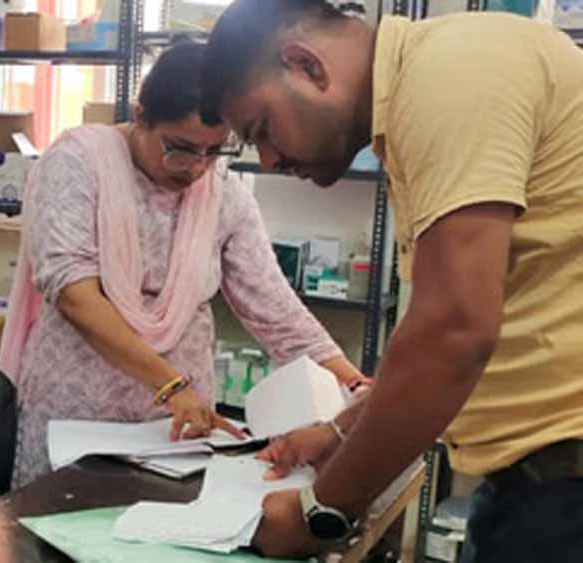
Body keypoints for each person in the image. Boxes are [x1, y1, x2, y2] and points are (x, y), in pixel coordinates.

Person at [201, 2, 583, 561]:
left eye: (263, 129)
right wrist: (339, 432)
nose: (269, 159)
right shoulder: (427, 89)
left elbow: (453, 332)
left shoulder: (449, 75)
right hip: (537, 484)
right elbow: (469, 322)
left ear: (306, 65)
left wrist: (320, 513)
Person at [0, 42, 368, 488]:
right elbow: (75, 295)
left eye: (214, 151)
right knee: (58, 521)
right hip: (77, 413)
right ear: (140, 116)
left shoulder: (222, 194)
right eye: (181, 149)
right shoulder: (77, 162)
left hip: (176, 430)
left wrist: (354, 385)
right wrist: (171, 385)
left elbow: (274, 306)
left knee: (163, 522)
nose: (195, 168)